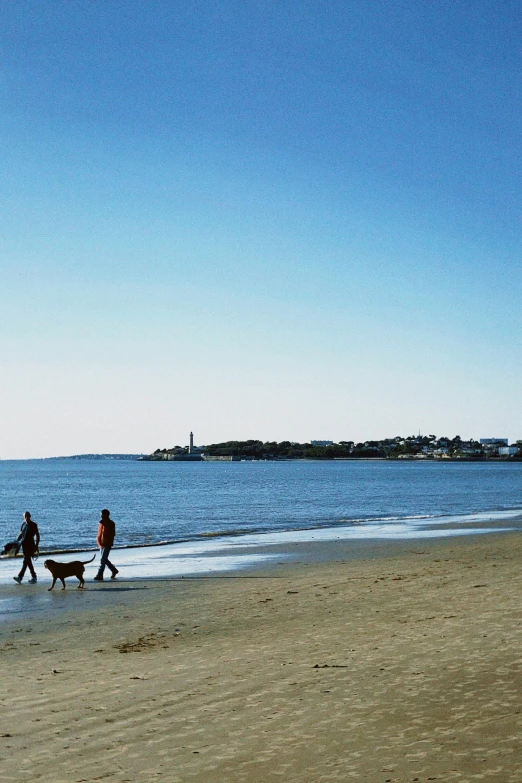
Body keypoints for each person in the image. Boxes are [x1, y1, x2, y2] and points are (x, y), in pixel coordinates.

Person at [13, 511, 40, 585]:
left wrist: (36, 545)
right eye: (25, 516)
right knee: (27, 561)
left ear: (30, 516)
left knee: (26, 560)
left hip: (30, 545)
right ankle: (34, 577)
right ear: (24, 517)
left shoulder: (34, 525)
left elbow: (37, 535)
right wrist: (15, 541)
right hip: (23, 545)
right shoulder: (23, 524)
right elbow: (21, 533)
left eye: (27, 516)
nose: (26, 518)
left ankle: (20, 577)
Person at [94, 508, 119, 581]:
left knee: (102, 560)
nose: (101, 516)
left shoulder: (111, 523)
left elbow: (113, 534)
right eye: (101, 515)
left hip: (107, 544)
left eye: (102, 515)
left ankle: (100, 574)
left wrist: (109, 542)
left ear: (106, 515)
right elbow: (99, 533)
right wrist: (98, 541)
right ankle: (114, 570)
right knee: (105, 559)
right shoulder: (101, 523)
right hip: (101, 543)